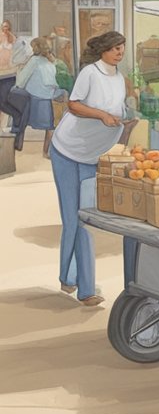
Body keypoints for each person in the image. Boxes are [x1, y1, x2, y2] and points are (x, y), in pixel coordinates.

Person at [50, 31, 137, 307]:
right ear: (103, 50)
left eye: (122, 48)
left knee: (86, 219)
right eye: (115, 48)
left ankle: (77, 283)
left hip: (92, 155)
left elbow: (118, 111)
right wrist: (102, 116)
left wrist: (125, 120)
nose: (120, 53)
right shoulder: (90, 73)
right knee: (72, 219)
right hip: (66, 150)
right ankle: (76, 282)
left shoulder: (121, 80)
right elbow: (73, 105)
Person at [17, 36, 60, 157]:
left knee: (17, 117)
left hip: (34, 97)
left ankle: (16, 145)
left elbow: (21, 81)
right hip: (49, 96)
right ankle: (46, 152)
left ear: (36, 48)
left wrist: (19, 75)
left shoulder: (34, 61)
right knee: (50, 127)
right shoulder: (51, 60)